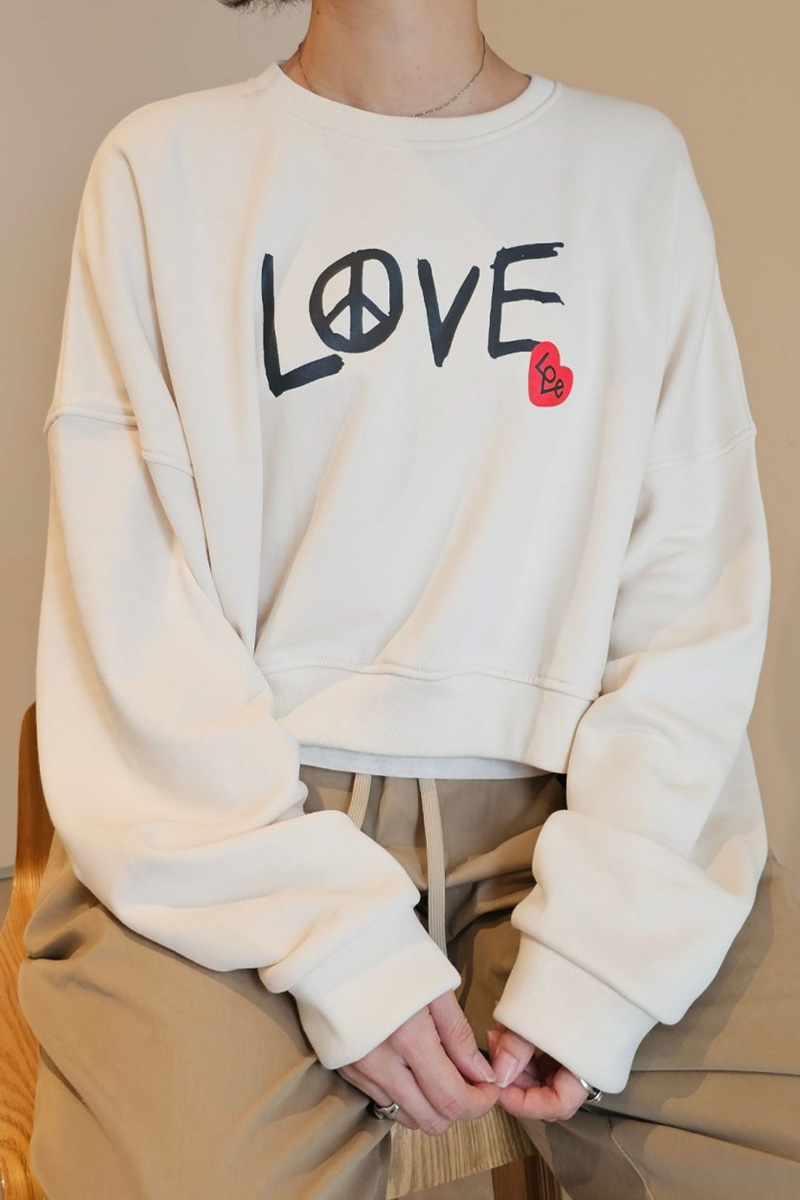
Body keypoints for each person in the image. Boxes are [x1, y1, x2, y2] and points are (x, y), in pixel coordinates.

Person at [17, 1, 799, 1197]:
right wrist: (337, 946)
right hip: (236, 835)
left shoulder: (630, 171)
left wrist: (601, 960)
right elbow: (135, 617)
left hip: (572, 818)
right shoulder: (161, 168)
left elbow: (687, 604)